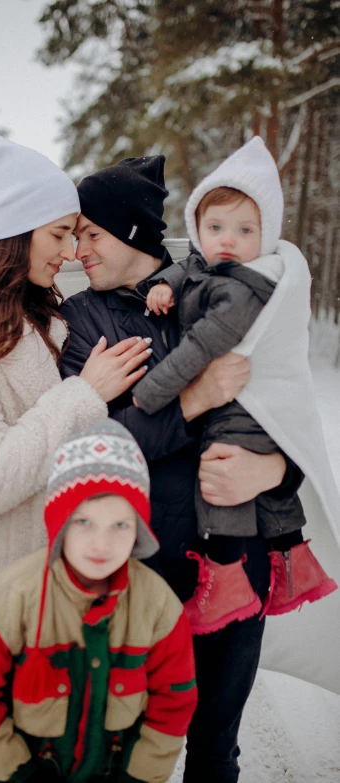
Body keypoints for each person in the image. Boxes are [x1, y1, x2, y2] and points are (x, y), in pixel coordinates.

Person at [58, 154, 307, 783]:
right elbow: (97, 446)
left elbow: (287, 408)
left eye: (91, 233)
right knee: (128, 750)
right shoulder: (84, 321)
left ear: (134, 232)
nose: (77, 249)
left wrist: (277, 470)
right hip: (142, 570)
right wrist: (196, 399)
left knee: (216, 750)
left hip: (234, 558)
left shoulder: (225, 284)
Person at [0, 129, 151, 586]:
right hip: (11, 597)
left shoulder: (36, 307)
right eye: (59, 234)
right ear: (15, 233)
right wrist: (85, 394)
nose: (71, 253)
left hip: (74, 575)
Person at [131, 137, 337, 633]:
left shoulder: (244, 288)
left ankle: (225, 583)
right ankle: (295, 564)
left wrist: (152, 393)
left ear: (265, 236)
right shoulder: (210, 265)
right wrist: (164, 285)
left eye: (245, 229)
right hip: (236, 405)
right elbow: (189, 268)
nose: (227, 239)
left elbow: (198, 348)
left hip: (243, 407)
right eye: (215, 226)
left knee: (219, 482)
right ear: (197, 229)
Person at [0, 419, 198, 783]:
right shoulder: (9, 599)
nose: (102, 544)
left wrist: (141, 776)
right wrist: (17, 773)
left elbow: (173, 703)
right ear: (60, 522)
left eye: (120, 525)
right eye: (84, 522)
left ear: (139, 531)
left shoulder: (159, 608)